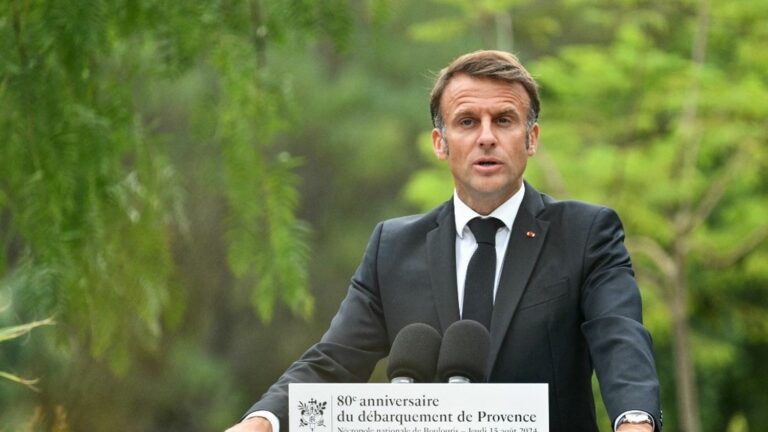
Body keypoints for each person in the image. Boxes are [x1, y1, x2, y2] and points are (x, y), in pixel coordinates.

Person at [226, 50, 662, 432]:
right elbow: (334, 361)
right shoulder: (392, 248)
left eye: (504, 120)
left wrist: (636, 420)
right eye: (467, 121)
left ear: (531, 139)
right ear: (441, 142)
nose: (486, 136)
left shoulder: (586, 235)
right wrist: (262, 420)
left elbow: (619, 338)